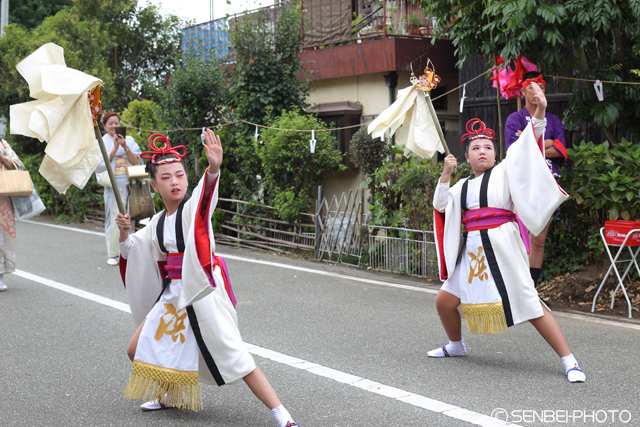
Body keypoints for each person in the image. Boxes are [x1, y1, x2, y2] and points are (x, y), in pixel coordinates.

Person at [115, 130, 300, 426]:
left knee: (233, 354)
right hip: (172, 295)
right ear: (154, 185)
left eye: (179, 175)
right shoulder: (157, 223)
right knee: (136, 348)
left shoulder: (192, 210)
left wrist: (213, 169)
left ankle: (281, 413)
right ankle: (170, 395)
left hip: (200, 292)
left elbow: (205, 196)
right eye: (166, 177)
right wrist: (124, 230)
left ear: (188, 179)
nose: (175, 181)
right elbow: (132, 250)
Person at [427, 83, 586, 383]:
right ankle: (456, 346)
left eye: (487, 146)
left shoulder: (506, 170)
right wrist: (446, 174)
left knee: (530, 303)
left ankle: (570, 361)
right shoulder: (461, 186)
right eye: (476, 148)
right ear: (466, 156)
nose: (482, 151)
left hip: (503, 245)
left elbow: (529, 143)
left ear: (496, 152)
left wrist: (539, 109)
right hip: (472, 251)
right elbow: (440, 205)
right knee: (444, 301)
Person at [504, 71, 568, 288]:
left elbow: (561, 152)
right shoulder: (515, 119)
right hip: (522, 182)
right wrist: (545, 143)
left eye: (540, 86)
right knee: (520, 237)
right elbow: (514, 152)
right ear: (523, 92)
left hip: (548, 182)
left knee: (539, 239)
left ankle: (532, 289)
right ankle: (516, 286)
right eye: (531, 87)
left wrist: (531, 143)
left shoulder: (554, 120)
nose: (536, 91)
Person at [95, 112, 142, 266]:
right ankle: (114, 253)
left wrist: (125, 147)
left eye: (117, 123)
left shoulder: (129, 140)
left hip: (130, 183)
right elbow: (99, 166)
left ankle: (130, 251)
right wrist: (114, 150)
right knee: (114, 218)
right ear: (104, 126)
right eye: (110, 123)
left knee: (131, 216)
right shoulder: (100, 143)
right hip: (113, 185)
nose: (114, 126)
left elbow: (137, 161)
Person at [0, 139, 25, 292]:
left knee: (2, 238)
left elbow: (18, 165)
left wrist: (2, 158)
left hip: (3, 198)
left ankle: (0, 278)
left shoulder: (2, 144)